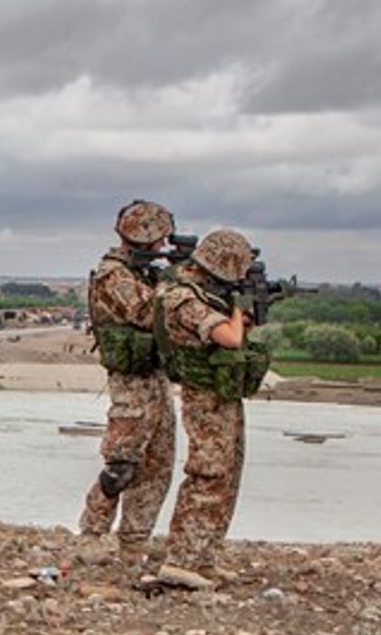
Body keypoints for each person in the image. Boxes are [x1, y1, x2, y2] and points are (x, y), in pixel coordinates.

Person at [154, 228, 270, 587]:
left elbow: (234, 335)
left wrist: (241, 312)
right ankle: (181, 559)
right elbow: (231, 339)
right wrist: (239, 308)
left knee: (227, 475)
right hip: (204, 397)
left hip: (220, 394)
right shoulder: (182, 297)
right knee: (208, 473)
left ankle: (203, 556)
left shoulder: (198, 293)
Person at [77, 200, 179, 555]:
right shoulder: (114, 275)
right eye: (160, 239)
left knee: (158, 463)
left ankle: (135, 538)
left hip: (154, 378)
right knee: (123, 462)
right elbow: (150, 312)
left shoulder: (141, 273)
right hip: (131, 382)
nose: (163, 246)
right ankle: (92, 533)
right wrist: (178, 286)